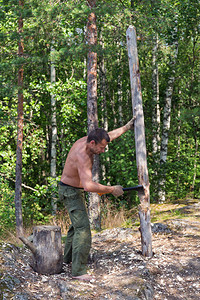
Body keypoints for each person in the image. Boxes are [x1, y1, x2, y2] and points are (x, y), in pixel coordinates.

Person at [58, 117, 135, 281]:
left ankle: (68, 259)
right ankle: (78, 271)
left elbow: (109, 136)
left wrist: (126, 127)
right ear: (92, 143)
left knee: (75, 226)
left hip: (72, 189)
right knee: (83, 229)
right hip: (70, 191)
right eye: (101, 148)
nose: (103, 150)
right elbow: (88, 186)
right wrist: (112, 189)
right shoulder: (83, 156)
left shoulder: (89, 140)